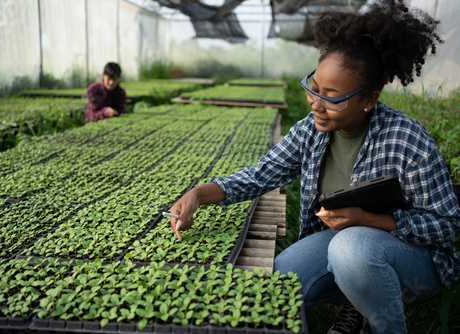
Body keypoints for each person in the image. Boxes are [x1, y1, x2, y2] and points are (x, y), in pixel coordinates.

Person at [167, 1, 460, 333]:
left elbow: (447, 224)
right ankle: (357, 301)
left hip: (415, 261)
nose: (316, 104)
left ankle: (385, 326)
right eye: (314, 88)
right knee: (276, 288)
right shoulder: (311, 130)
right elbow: (261, 174)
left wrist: (368, 219)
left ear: (369, 100)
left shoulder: (408, 140)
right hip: (341, 247)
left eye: (332, 97)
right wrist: (199, 195)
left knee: (351, 249)